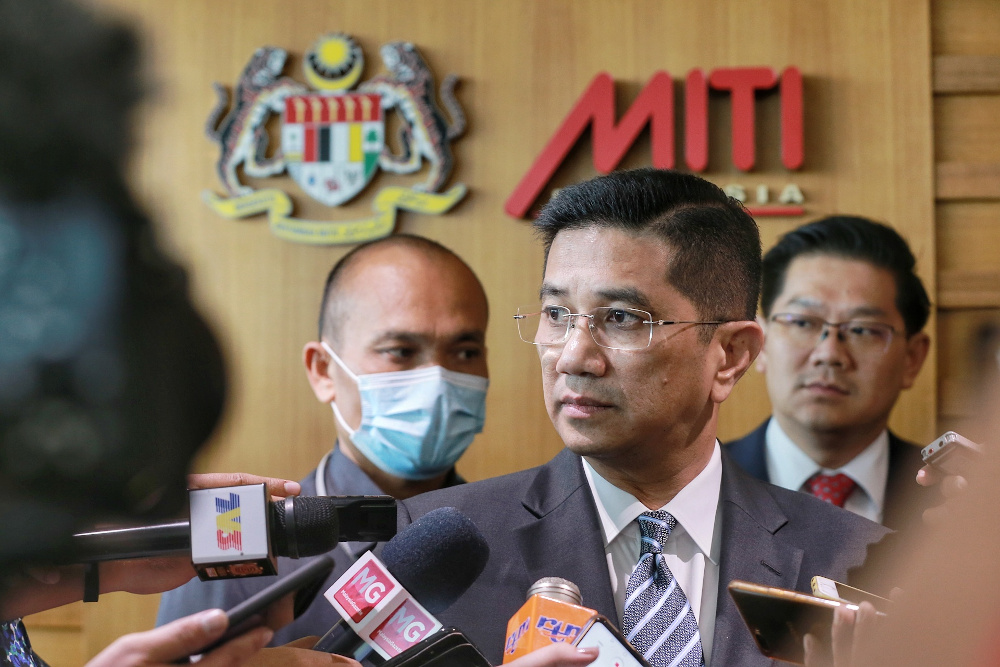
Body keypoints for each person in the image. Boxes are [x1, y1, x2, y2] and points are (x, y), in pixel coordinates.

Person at [394, 169, 889, 667]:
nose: (572, 357)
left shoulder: (865, 563)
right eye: (557, 314)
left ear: (732, 354)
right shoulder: (433, 557)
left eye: (622, 318)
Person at [158, 234, 490, 644]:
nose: (438, 380)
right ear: (322, 370)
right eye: (401, 351)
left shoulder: (508, 537)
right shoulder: (235, 547)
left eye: (466, 351)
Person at [724, 216, 932, 528]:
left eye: (862, 330)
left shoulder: (951, 498)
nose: (830, 354)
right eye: (803, 323)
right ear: (760, 345)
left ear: (912, 359)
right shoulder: (693, 488)